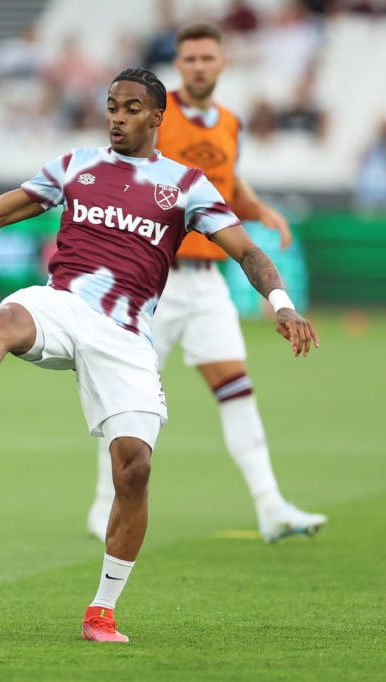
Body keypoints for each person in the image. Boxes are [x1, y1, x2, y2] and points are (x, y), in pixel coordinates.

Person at [0, 68, 318, 643]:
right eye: (111, 106)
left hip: (127, 337)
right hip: (63, 304)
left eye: (131, 108)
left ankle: (101, 610)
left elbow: (246, 250)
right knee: (8, 317)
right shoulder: (75, 164)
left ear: (158, 117)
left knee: (135, 468)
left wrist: (281, 303)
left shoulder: (186, 185)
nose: (117, 117)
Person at [85, 23, 327, 546]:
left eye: (206, 58)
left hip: (208, 280)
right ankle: (102, 505)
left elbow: (227, 185)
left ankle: (271, 507)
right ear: (180, 64)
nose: (197, 66)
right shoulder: (153, 115)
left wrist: (259, 208)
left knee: (236, 389)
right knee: (127, 401)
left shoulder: (231, 124)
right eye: (189, 58)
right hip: (153, 282)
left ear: (222, 64)